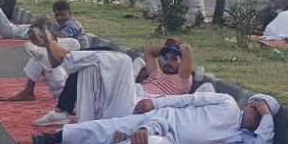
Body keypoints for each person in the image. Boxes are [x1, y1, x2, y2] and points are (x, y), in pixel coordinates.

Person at [31, 91, 279, 144]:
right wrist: (156, 104)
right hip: (161, 119)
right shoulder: (227, 103)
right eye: (255, 111)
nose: (254, 119)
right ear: (249, 104)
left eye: (259, 119)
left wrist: (267, 115)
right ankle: (51, 139)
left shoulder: (242, 139)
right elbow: (187, 99)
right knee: (108, 128)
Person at [33, 38, 193, 126]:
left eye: (174, 60)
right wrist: (167, 48)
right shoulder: (157, 73)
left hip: (135, 104)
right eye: (166, 59)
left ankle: (63, 56)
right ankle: (63, 111)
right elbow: (149, 50)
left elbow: (187, 51)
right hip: (117, 99)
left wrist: (178, 46)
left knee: (121, 59)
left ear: (183, 62)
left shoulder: (182, 80)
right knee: (89, 66)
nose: (168, 62)